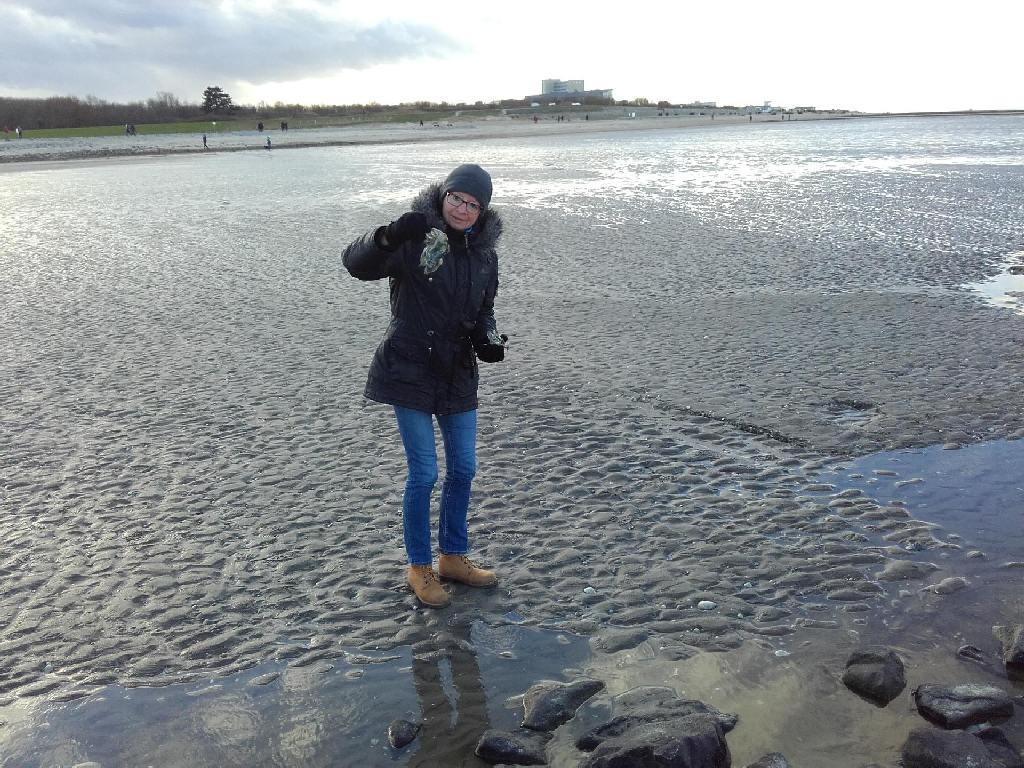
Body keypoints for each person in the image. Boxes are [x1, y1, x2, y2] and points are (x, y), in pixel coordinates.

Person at [342, 164, 506, 608]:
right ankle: (419, 567)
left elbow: (484, 310)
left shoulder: (484, 256)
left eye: (473, 204)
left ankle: (453, 557)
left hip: (457, 373)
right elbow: (355, 264)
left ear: (482, 211)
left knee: (464, 468)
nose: (462, 209)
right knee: (425, 473)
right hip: (409, 368)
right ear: (443, 195)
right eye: (457, 198)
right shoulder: (416, 238)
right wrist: (388, 235)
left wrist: (487, 340)